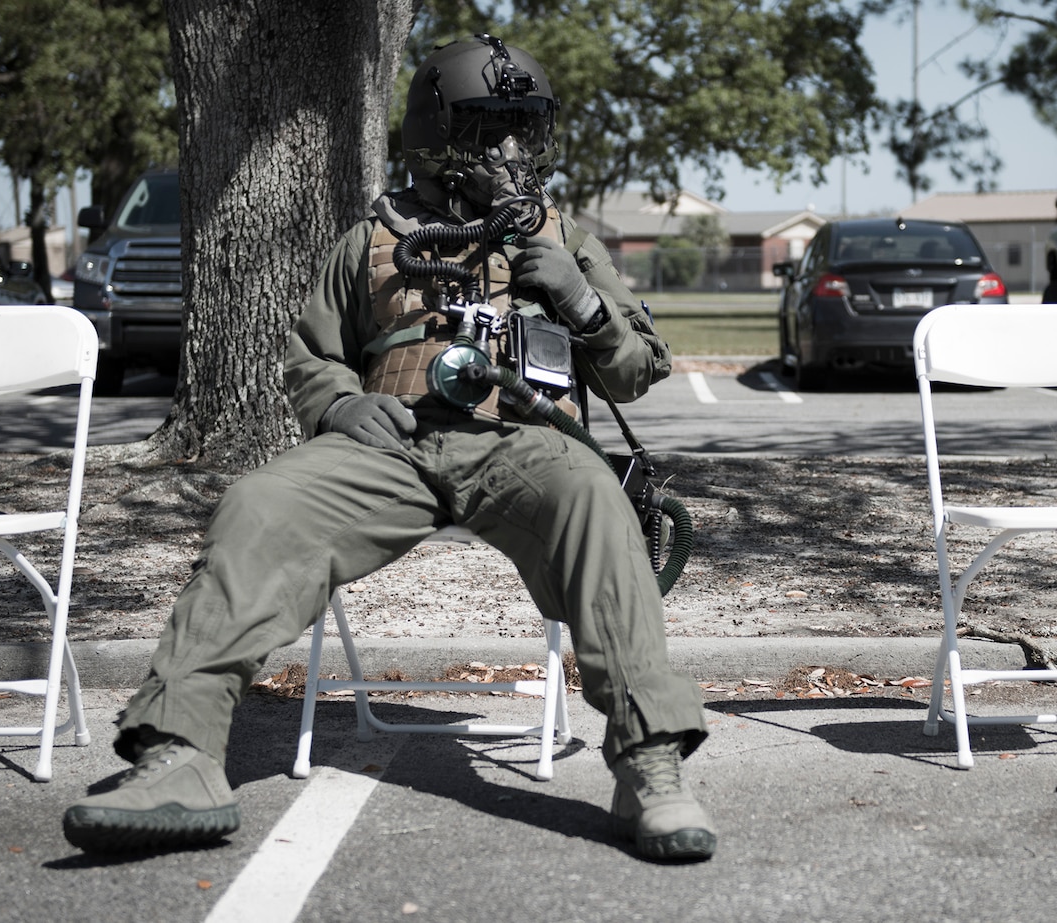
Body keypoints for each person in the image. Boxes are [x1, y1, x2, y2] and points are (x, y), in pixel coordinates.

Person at [62, 35, 716, 862]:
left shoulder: (560, 237)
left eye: (523, 131)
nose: (511, 152)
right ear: (437, 135)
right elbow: (312, 353)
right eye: (490, 130)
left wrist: (581, 298)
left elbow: (635, 373)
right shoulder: (368, 238)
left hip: (524, 440)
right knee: (259, 502)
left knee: (594, 498)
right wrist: (341, 405)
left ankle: (649, 764)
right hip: (390, 444)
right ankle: (179, 756)